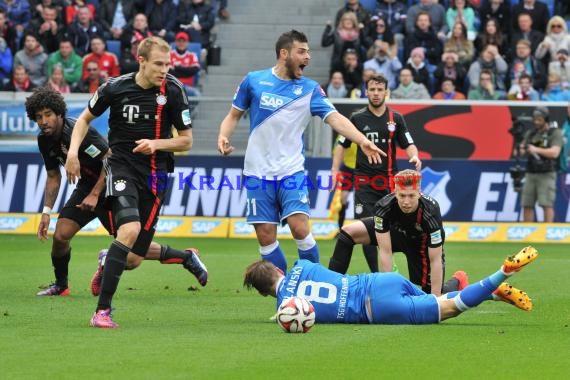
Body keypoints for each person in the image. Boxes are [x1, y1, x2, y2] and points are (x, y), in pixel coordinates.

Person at [65, 36, 206, 328]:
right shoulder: (115, 88)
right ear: (141, 61)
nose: (164, 69)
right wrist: (72, 153)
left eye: (168, 64)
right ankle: (102, 312)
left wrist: (156, 144)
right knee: (128, 230)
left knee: (134, 258)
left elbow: (186, 141)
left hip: (156, 175)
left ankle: (110, 259)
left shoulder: (175, 91)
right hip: (122, 167)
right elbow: (83, 120)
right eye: (158, 64)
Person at [217, 30, 384, 274]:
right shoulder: (254, 80)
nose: (308, 57)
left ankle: (314, 283)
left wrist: (362, 140)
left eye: (309, 52)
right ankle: (283, 289)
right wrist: (224, 135)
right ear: (284, 54)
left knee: (300, 229)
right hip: (256, 172)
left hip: (290, 171)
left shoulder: (310, 89)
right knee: (265, 236)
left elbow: (335, 118)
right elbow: (233, 116)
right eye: (302, 51)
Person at [26, 86, 208, 297]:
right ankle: (61, 285)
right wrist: (46, 212)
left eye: (48, 115)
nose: (43, 121)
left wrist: (95, 194)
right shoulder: (44, 139)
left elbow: (110, 159)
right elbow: (53, 176)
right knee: (61, 235)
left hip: (110, 186)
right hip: (87, 187)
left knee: (129, 251)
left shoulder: (80, 134)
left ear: (59, 113)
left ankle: (186, 257)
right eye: (38, 117)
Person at [244, 246, 539, 325]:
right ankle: (493, 294)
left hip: (376, 309)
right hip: (379, 280)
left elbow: (298, 309)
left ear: (261, 291)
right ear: (278, 269)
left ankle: (503, 273)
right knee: (434, 300)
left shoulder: (286, 308)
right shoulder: (302, 266)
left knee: (451, 308)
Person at [330, 77, 421, 274]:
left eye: (380, 89)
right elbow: (341, 145)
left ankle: (401, 269)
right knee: (366, 228)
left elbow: (408, 143)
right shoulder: (356, 118)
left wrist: (414, 157)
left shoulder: (395, 119)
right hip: (364, 183)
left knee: (395, 229)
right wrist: (334, 170)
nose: (376, 93)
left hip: (390, 184)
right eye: (372, 89)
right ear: (367, 92)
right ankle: (377, 275)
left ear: (386, 91)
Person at [329, 169, 468, 296]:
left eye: (411, 196)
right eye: (402, 195)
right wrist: (389, 292)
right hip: (395, 233)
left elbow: (435, 259)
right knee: (348, 232)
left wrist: (435, 301)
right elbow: (385, 251)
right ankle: (331, 286)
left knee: (429, 295)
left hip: (420, 244)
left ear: (419, 193)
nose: (406, 201)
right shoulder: (383, 206)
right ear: (395, 191)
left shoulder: (431, 212)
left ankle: (457, 281)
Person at [515, 106, 563, 223]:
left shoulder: (555, 133)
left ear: (546, 119)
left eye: (539, 120)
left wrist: (536, 149)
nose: (536, 122)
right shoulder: (530, 134)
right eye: (535, 119)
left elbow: (555, 153)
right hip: (531, 173)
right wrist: (520, 145)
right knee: (527, 204)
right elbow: (519, 153)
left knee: (546, 204)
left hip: (547, 173)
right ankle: (528, 234)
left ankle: (546, 233)